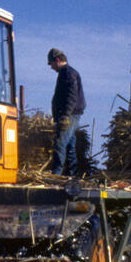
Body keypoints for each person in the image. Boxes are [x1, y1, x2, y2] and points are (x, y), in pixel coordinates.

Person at [47, 48, 86, 176]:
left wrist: (65, 115)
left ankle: (56, 174)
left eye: (51, 63)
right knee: (69, 144)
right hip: (70, 114)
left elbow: (72, 96)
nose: (51, 67)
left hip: (70, 114)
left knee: (60, 143)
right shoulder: (65, 73)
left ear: (57, 60)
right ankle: (72, 175)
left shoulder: (68, 73)